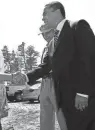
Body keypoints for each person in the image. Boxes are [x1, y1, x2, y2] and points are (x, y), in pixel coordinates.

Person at [15, 1, 95, 130]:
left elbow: (89, 59)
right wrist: (26, 76)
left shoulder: (78, 26)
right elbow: (47, 66)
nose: (42, 18)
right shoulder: (54, 41)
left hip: (80, 98)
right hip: (65, 100)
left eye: (44, 14)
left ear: (56, 11)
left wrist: (83, 93)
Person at [39, 24, 67, 130]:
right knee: (45, 117)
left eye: (48, 32)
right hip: (45, 82)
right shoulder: (45, 48)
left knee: (62, 116)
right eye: (43, 34)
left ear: (55, 32)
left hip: (57, 82)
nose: (45, 36)